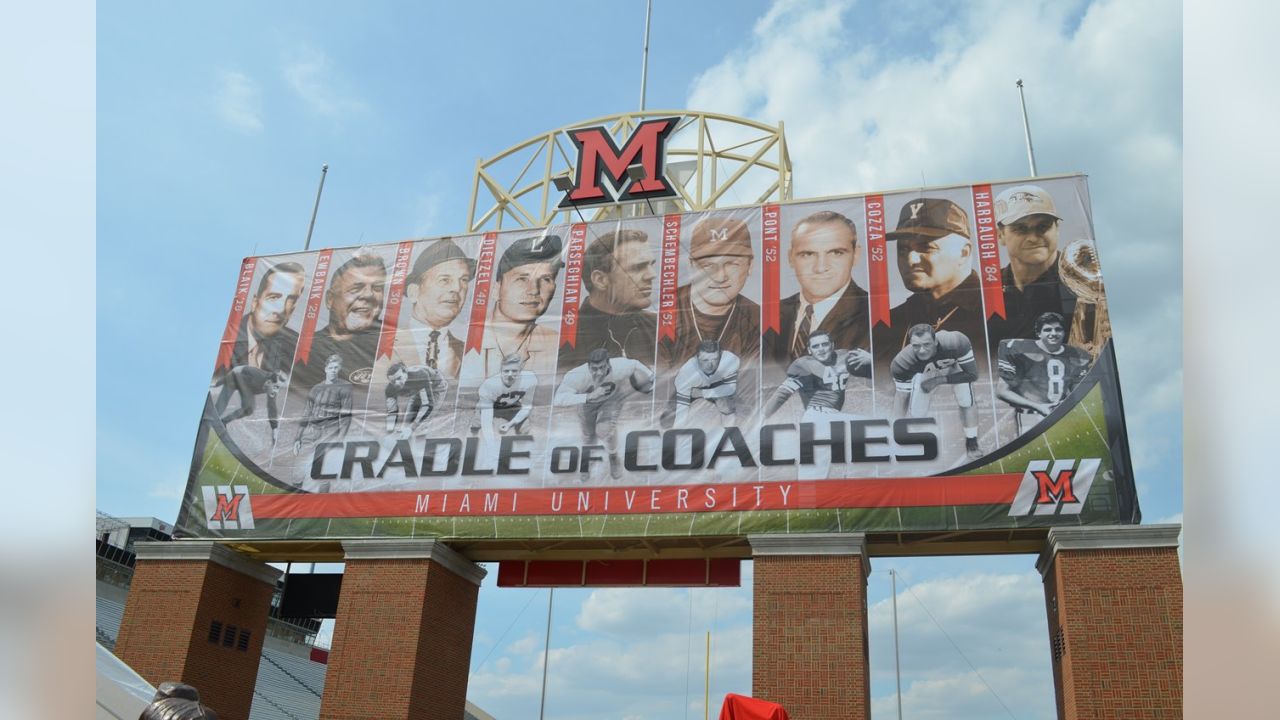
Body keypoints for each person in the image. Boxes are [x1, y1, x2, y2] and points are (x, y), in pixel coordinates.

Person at [877, 198, 986, 360]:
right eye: (903, 250)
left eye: (926, 247)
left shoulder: (999, 310)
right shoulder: (889, 323)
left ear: (964, 253)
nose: (910, 260)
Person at [762, 330, 872, 480]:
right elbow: (782, 393)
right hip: (816, 418)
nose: (821, 349)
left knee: (871, 431)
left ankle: (854, 486)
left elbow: (876, 374)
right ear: (809, 350)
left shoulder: (844, 356)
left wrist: (871, 360)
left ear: (832, 345)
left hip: (834, 418)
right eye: (816, 346)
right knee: (812, 477)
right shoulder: (804, 365)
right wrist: (762, 416)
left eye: (824, 344)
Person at [769, 211, 870, 366]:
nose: (821, 267)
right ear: (790, 258)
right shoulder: (768, 315)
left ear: (856, 255)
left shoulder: (874, 314)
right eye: (808, 254)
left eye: (836, 252)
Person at [660, 217, 760, 368]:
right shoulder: (662, 312)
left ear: (750, 265)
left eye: (732, 264)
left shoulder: (759, 319)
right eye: (707, 265)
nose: (720, 277)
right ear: (690, 266)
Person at [462, 234, 563, 383]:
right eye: (522, 279)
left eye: (546, 279)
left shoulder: (556, 344)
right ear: (496, 289)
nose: (533, 290)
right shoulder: (464, 339)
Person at [988, 185, 1079, 348]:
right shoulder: (987, 291)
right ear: (1000, 235)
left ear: (1057, 228)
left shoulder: (1082, 283)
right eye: (1020, 228)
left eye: (1043, 226)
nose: (1033, 237)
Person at [560, 228, 658, 369]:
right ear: (600, 280)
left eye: (651, 265)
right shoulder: (566, 336)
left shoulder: (658, 327)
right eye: (638, 267)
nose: (652, 275)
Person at [554, 347, 655, 481]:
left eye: (602, 367)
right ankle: (586, 462)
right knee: (589, 437)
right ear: (588, 367)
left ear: (608, 363)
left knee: (603, 430)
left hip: (611, 400)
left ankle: (613, 456)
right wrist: (588, 396)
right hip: (586, 404)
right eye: (594, 369)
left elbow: (635, 364)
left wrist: (649, 377)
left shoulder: (620, 366)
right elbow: (558, 399)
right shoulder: (577, 375)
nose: (599, 372)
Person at [293, 252, 387, 388]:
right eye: (357, 288)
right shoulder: (303, 349)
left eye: (377, 288)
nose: (368, 295)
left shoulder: (394, 343)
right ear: (330, 299)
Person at [890, 324, 983, 460]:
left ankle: (972, 441)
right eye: (916, 346)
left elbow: (972, 374)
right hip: (926, 372)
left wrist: (939, 380)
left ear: (935, 341)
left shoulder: (956, 342)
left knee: (966, 399)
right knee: (917, 412)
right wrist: (895, 433)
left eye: (927, 344)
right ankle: (918, 439)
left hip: (954, 366)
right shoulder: (902, 363)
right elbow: (901, 398)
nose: (921, 350)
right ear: (910, 345)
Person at [389, 238, 475, 378]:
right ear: (413, 292)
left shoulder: (470, 352)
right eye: (444, 280)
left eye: (463, 280)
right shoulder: (382, 343)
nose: (457, 288)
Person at [996, 312, 1092, 435]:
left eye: (1058, 329)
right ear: (1038, 333)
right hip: (1030, 417)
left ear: (1064, 332)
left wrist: (1067, 404)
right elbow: (1002, 391)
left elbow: (1078, 393)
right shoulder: (1018, 351)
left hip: (1062, 414)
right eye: (1047, 330)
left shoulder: (1078, 355)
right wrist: (1037, 406)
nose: (1053, 333)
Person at [226, 261, 306, 375]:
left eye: (291, 300)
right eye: (273, 298)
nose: (280, 310)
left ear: (293, 309)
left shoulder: (295, 347)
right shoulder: (228, 340)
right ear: (255, 302)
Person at [664, 340, 741, 428]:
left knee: (727, 406)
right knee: (669, 418)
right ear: (697, 358)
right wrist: (677, 433)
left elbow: (730, 389)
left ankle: (728, 433)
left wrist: (701, 393)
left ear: (720, 355)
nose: (710, 365)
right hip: (693, 387)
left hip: (716, 384)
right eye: (705, 360)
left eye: (715, 359)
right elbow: (682, 408)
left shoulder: (729, 360)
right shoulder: (686, 373)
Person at [473, 354, 538, 448]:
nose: (510, 375)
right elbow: (486, 418)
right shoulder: (490, 384)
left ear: (520, 371)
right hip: (493, 406)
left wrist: (510, 423)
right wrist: (491, 444)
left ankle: (523, 451)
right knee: (477, 425)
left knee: (526, 427)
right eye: (506, 371)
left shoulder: (530, 379)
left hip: (512, 405)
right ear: (501, 371)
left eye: (514, 371)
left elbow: (526, 407)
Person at [293, 354, 354, 456]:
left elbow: (346, 416)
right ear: (326, 369)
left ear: (339, 369)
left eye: (336, 367)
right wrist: (298, 438)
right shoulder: (316, 388)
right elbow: (307, 413)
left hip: (330, 431)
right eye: (330, 368)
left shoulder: (345, 387)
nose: (333, 370)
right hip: (313, 430)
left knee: (326, 461)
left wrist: (340, 439)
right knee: (303, 461)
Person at [213, 365, 287, 442]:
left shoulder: (273, 388)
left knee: (249, 409)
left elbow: (272, 406)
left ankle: (223, 422)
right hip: (234, 377)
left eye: (278, 388)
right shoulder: (256, 375)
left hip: (247, 385)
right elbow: (235, 371)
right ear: (269, 381)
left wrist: (274, 428)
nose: (275, 391)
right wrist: (220, 382)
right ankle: (207, 421)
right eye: (275, 387)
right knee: (220, 408)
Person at [384, 361, 448, 438]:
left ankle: (423, 441)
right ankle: (403, 436)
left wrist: (412, 428)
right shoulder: (389, 389)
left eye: (399, 378)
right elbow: (392, 411)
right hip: (417, 388)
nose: (397, 383)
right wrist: (390, 430)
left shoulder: (419, 375)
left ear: (406, 373)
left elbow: (427, 405)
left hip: (436, 386)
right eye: (393, 381)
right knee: (407, 420)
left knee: (425, 420)